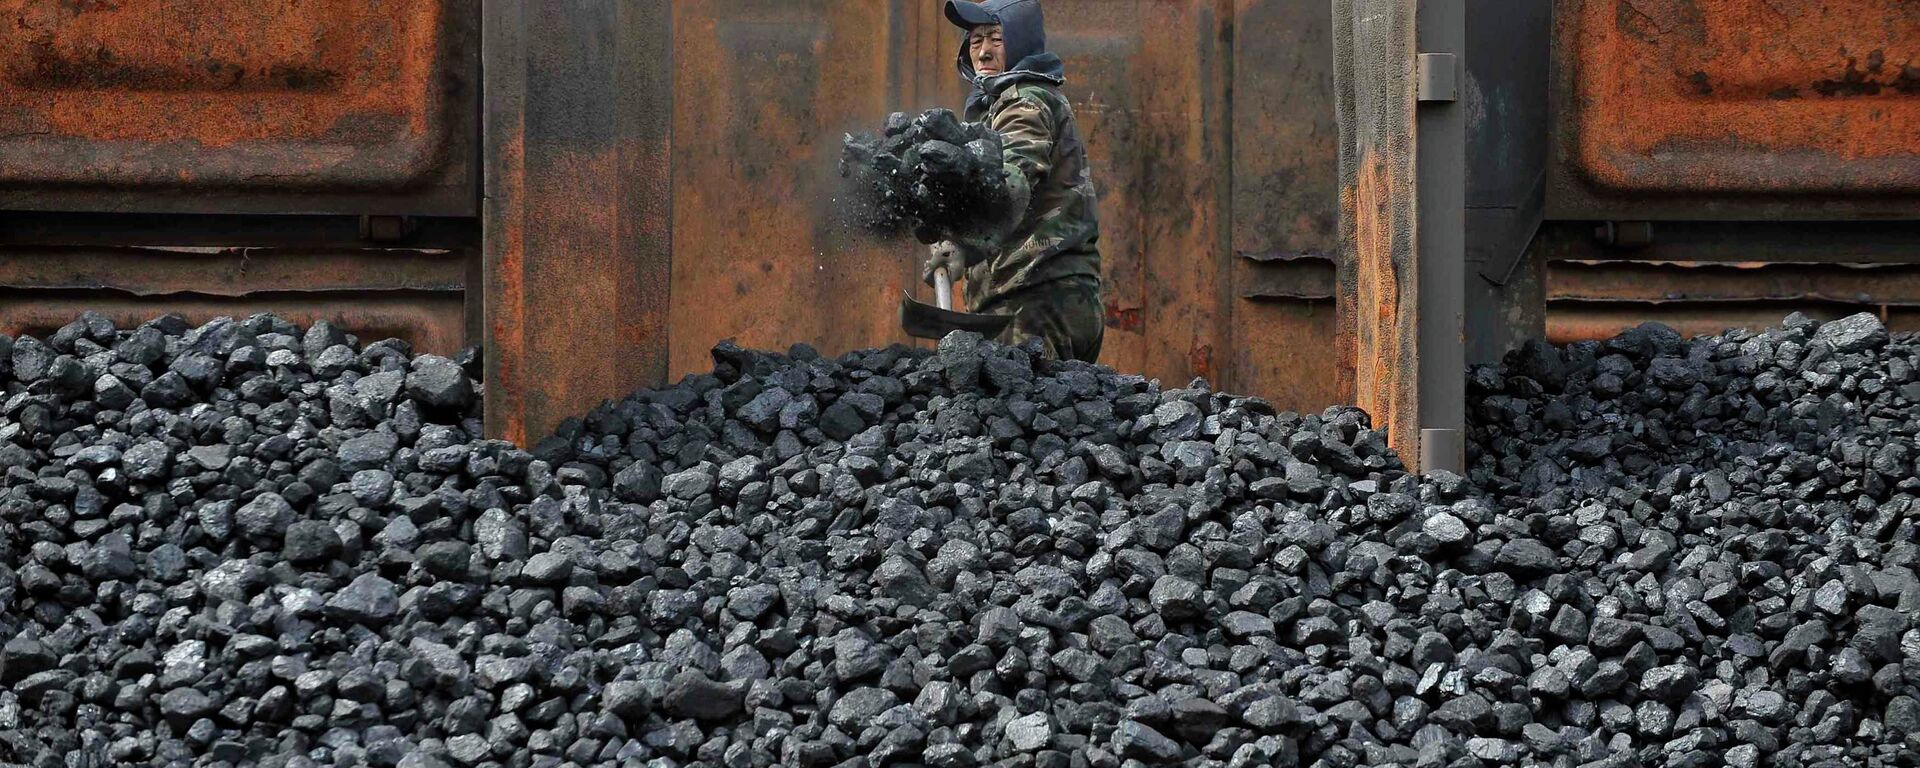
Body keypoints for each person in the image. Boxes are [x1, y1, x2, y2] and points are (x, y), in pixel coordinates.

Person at [926, 0, 1104, 363]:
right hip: (1048, 300)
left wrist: (963, 243)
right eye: (975, 41)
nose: (983, 52)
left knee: (1021, 398)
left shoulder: (1024, 102)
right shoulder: (1004, 104)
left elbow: (1010, 180)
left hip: (1033, 303)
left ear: (1021, 42)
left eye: (996, 39)